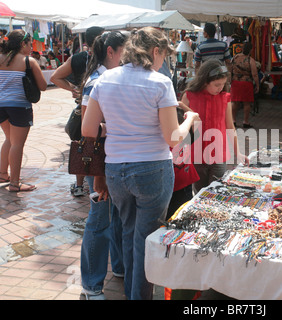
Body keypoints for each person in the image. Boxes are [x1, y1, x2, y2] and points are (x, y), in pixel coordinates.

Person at [82, 27, 199, 300]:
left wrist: (120, 127)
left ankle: (132, 293)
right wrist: (190, 119)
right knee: (146, 240)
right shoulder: (159, 82)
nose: (163, 63)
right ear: (155, 51)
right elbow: (172, 137)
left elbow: (88, 129)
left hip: (116, 170)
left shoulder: (106, 78)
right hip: (151, 169)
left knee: (128, 231)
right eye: (163, 56)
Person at [78, 31, 128, 300]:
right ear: (111, 51)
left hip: (113, 160)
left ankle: (118, 268)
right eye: (124, 51)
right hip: (101, 162)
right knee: (99, 221)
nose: (127, 56)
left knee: (116, 218)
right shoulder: (98, 81)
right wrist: (98, 175)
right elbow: (89, 133)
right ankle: (91, 286)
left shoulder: (108, 78)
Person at [180, 59, 249, 194]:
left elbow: (230, 126)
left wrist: (237, 152)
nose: (221, 88)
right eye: (217, 84)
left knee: (216, 191)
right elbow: (183, 128)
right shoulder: (189, 96)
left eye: (223, 84)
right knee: (200, 194)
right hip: (196, 155)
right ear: (205, 81)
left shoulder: (225, 98)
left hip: (219, 154)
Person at [51, 26, 104, 197]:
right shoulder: (106, 59)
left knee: (83, 144)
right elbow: (54, 78)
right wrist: (75, 89)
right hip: (98, 111)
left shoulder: (79, 57)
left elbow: (55, 77)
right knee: (92, 143)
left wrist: (75, 89)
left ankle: (80, 185)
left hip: (84, 108)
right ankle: (94, 182)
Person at [0, 30, 47, 191]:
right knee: (17, 144)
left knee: (9, 139)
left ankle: (2, 174)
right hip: (19, 106)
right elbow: (43, 86)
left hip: (0, 106)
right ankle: (14, 183)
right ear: (22, 44)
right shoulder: (29, 61)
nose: (31, 47)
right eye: (29, 44)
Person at [230, 41, 259, 128]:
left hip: (235, 82)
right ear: (251, 50)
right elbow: (254, 74)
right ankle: (245, 121)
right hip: (246, 83)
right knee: (247, 103)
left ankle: (233, 120)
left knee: (235, 102)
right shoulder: (251, 60)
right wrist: (257, 85)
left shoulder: (235, 58)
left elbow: (230, 69)